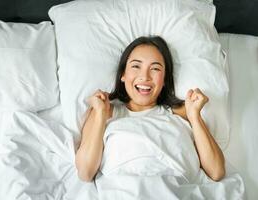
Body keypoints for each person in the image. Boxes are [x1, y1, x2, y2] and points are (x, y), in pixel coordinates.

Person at [75, 36, 225, 182]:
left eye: (155, 68)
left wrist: (195, 117)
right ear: (123, 75)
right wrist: (100, 114)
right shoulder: (103, 112)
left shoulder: (183, 113)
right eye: (136, 66)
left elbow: (216, 171)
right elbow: (85, 172)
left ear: (165, 79)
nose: (145, 76)